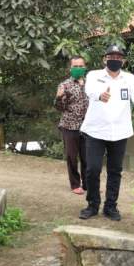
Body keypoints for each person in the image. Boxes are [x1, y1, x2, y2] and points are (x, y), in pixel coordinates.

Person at [79, 44, 134, 221]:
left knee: (115, 170)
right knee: (92, 169)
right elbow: (89, 90)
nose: (115, 60)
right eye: (111, 57)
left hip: (120, 131)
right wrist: (100, 95)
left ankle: (111, 206)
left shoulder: (130, 78)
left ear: (123, 60)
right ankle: (92, 204)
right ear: (104, 59)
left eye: (118, 57)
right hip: (96, 130)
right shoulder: (94, 75)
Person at [54, 55, 89, 194]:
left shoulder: (91, 83)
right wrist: (58, 97)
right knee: (72, 157)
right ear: (70, 68)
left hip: (87, 127)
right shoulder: (64, 85)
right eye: (75, 66)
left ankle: (88, 184)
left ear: (85, 67)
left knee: (88, 157)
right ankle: (75, 184)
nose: (78, 69)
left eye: (81, 66)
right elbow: (59, 107)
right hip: (69, 126)